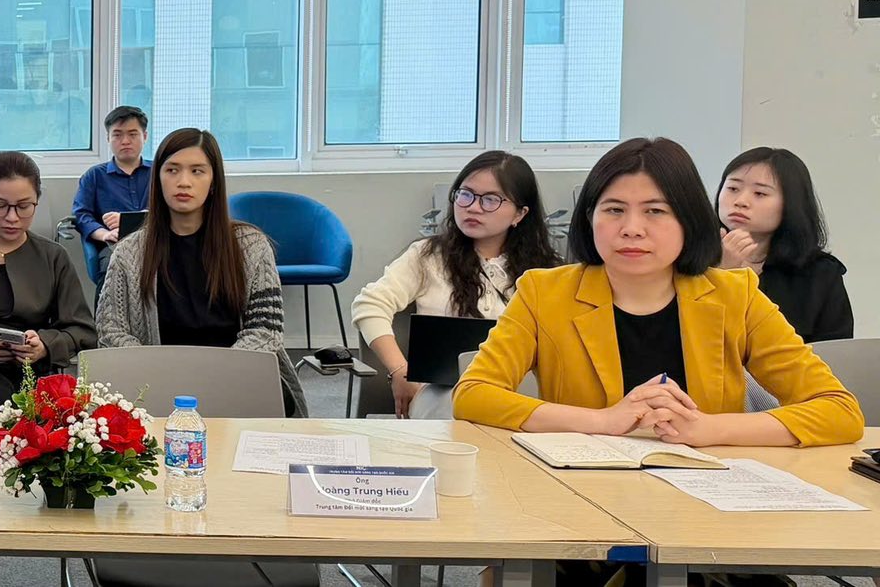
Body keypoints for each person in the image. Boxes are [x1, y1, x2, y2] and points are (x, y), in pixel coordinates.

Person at [456, 137, 863, 449]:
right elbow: (474, 395)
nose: (632, 229)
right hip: (583, 494)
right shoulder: (544, 292)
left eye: (655, 211)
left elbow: (839, 411)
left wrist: (709, 429)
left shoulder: (735, 294)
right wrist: (602, 421)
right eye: (614, 209)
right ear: (590, 218)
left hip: (709, 498)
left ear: (688, 220)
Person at [96, 127, 306, 416]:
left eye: (197, 171)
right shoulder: (129, 253)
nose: (184, 182)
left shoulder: (251, 246)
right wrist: (160, 372)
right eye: (172, 170)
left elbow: (266, 331)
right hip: (156, 386)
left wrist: (212, 377)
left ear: (213, 181)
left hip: (237, 383)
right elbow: (111, 331)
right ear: (158, 179)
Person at [352, 151, 559, 419]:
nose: (473, 207)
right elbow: (369, 305)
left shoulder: (549, 272)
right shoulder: (428, 256)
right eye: (466, 194)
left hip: (519, 392)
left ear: (520, 213)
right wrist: (400, 371)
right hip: (442, 394)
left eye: (490, 199)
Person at [0, 151, 97, 415]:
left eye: (23, 206)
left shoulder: (53, 257)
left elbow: (82, 331)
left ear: (37, 202)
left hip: (32, 373)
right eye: (0, 205)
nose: (12, 217)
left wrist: (44, 345)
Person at [716, 147, 853, 343]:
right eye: (733, 189)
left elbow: (836, 351)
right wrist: (721, 274)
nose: (741, 201)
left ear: (791, 204)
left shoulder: (820, 274)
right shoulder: (691, 258)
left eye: (760, 193)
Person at [72, 105, 153, 286]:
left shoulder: (160, 172)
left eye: (133, 134)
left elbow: (173, 210)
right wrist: (105, 234)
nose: (125, 141)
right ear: (108, 138)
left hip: (156, 243)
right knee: (112, 266)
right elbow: (81, 215)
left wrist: (135, 218)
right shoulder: (94, 176)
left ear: (145, 136)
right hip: (115, 245)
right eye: (117, 135)